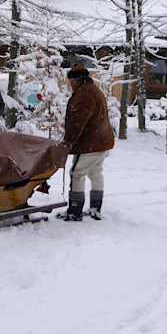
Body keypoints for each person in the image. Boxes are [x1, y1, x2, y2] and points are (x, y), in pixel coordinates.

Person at [60, 66, 115, 221]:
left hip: (90, 143)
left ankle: (75, 211)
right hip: (102, 140)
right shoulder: (93, 90)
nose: (70, 84)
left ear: (77, 80)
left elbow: (78, 122)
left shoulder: (84, 95)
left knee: (77, 173)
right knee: (95, 173)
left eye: (71, 81)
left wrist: (68, 142)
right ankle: (95, 208)